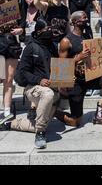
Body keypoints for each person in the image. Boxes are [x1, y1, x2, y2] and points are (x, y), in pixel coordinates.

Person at [57, 11, 102, 127]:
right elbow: (61, 65)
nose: (86, 20)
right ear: (75, 22)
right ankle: (53, 111)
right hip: (76, 81)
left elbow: (96, 56)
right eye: (84, 18)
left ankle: (100, 113)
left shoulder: (87, 35)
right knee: (75, 122)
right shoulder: (66, 41)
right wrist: (78, 58)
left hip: (90, 76)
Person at [11, 19, 60, 148]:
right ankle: (40, 133)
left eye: (50, 28)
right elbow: (23, 72)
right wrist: (39, 80)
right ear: (38, 32)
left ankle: (12, 123)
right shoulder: (30, 47)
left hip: (52, 87)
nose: (50, 31)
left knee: (40, 121)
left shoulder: (53, 46)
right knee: (48, 94)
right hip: (33, 88)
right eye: (47, 29)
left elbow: (59, 68)